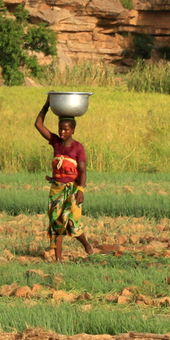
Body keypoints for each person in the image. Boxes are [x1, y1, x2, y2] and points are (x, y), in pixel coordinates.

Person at [35, 99, 95, 261]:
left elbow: (82, 171)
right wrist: (47, 104)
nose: (62, 132)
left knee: (72, 224)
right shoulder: (56, 143)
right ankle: (58, 260)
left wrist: (81, 190)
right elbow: (38, 124)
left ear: (73, 130)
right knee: (56, 225)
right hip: (56, 190)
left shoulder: (78, 148)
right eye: (60, 129)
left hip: (73, 190)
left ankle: (87, 245)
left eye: (66, 130)